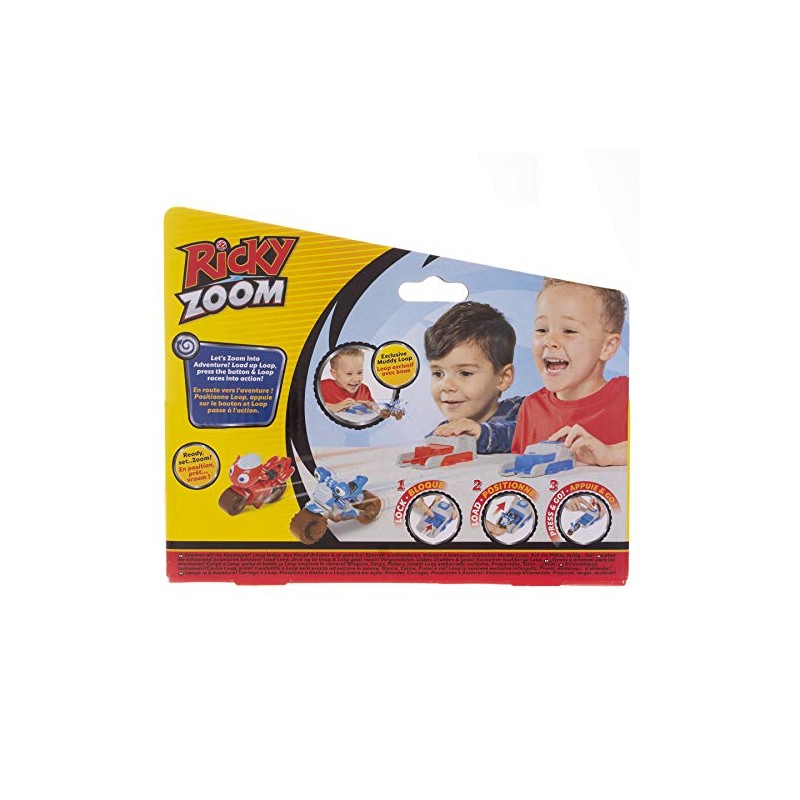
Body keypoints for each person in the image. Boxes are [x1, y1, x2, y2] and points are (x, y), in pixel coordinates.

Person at [511, 278, 628, 465]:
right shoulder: (531, 408)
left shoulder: (627, 396)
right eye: (542, 330)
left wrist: (611, 454)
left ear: (607, 347)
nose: (550, 341)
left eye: (569, 331)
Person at [424, 301, 523, 454]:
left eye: (465, 373)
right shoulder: (446, 432)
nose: (446, 386)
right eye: (438, 374)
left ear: (503, 377)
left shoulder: (524, 410)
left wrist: (482, 434)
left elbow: (530, 433)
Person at [319, 347, 377, 414]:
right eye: (349, 374)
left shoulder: (364, 390)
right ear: (334, 374)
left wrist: (373, 407)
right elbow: (311, 405)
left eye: (359, 372)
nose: (356, 379)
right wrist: (333, 407)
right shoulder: (323, 387)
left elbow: (375, 409)